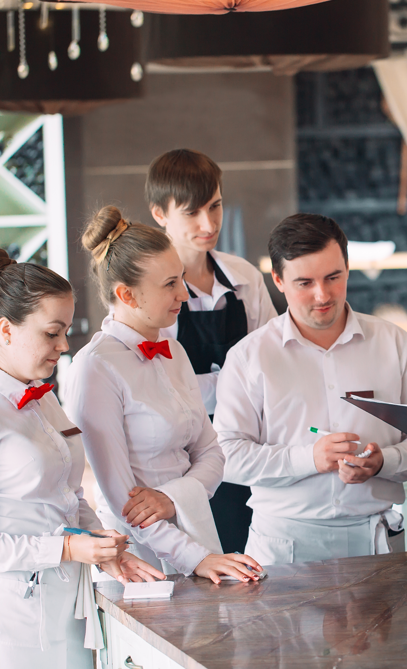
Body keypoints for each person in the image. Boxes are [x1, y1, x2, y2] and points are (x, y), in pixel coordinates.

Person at [0, 249, 163, 669]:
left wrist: (102, 546)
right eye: (52, 333)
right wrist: (67, 548)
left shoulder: (46, 397)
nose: (63, 345)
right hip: (3, 627)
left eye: (66, 332)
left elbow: (68, 496)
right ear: (6, 329)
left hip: (65, 612)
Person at [213, 213, 407, 565]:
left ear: (348, 269)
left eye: (333, 278)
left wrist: (385, 461)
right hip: (283, 544)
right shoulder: (249, 356)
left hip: (376, 539)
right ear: (278, 280)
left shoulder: (395, 343)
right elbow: (226, 456)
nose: (322, 295)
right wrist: (308, 458)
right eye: (304, 283)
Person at [65, 207, 262, 584]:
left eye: (182, 279)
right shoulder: (95, 367)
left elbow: (213, 452)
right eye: (170, 284)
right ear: (126, 294)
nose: (184, 294)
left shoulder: (176, 353)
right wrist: (198, 558)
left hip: (197, 532)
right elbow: (126, 504)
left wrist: (172, 499)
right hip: (137, 558)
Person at [148, 149, 278, 553]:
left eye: (216, 206)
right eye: (192, 213)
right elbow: (159, 386)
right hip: (182, 456)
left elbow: (274, 358)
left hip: (249, 446)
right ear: (159, 214)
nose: (209, 224)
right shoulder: (149, 290)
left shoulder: (244, 277)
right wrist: (238, 384)